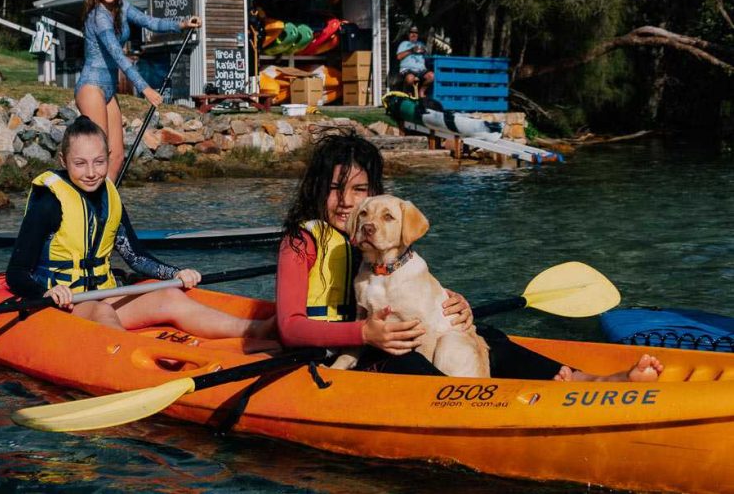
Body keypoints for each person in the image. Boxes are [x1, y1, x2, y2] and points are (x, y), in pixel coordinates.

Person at [275, 131, 664, 382]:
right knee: (407, 360)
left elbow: (417, 298)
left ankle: (583, 380)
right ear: (316, 191)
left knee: (489, 338)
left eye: (359, 191)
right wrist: (362, 333)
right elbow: (290, 328)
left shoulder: (387, 241)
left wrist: (457, 305)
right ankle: (468, 407)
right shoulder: (301, 243)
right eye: (334, 189)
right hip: (349, 352)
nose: (346, 202)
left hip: (387, 340)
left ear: (374, 194)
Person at [6, 115, 274, 339]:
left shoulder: (109, 197)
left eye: (99, 162)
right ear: (64, 162)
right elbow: (16, 273)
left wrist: (175, 273)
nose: (91, 172)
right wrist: (47, 292)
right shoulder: (49, 203)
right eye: (80, 163)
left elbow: (135, 256)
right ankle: (125, 361)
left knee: (170, 296)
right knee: (102, 313)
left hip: (105, 294)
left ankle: (255, 330)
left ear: (109, 157)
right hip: (63, 305)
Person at [75, 0, 203, 181]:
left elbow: (151, 22)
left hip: (108, 90)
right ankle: (88, 205)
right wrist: (145, 89)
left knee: (117, 158)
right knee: (99, 155)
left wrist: (182, 24)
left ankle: (106, 208)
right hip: (91, 86)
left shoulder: (123, 8)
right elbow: (118, 56)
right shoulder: (99, 16)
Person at [394, 26, 433, 98]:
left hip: (421, 69)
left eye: (415, 33)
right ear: (408, 34)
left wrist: (425, 52)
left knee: (431, 76)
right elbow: (398, 57)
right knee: (410, 78)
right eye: (411, 33)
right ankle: (407, 94)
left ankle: (421, 91)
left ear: (418, 35)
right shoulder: (404, 44)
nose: (414, 35)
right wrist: (411, 50)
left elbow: (428, 58)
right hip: (407, 69)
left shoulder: (421, 44)